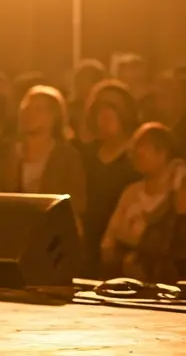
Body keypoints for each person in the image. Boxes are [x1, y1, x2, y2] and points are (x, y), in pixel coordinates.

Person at [100, 123, 186, 281]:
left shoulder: (183, 187)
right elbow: (108, 244)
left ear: (163, 152)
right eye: (135, 151)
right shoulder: (131, 193)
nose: (137, 155)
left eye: (144, 150)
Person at [0, 86, 87, 224]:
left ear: (54, 116)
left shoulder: (67, 156)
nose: (30, 115)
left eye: (38, 110)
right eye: (26, 109)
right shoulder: (9, 153)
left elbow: (78, 203)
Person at [79, 90, 141, 274]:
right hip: (88, 246)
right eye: (100, 109)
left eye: (113, 107)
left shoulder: (138, 156)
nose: (105, 114)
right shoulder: (87, 156)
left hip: (123, 248)